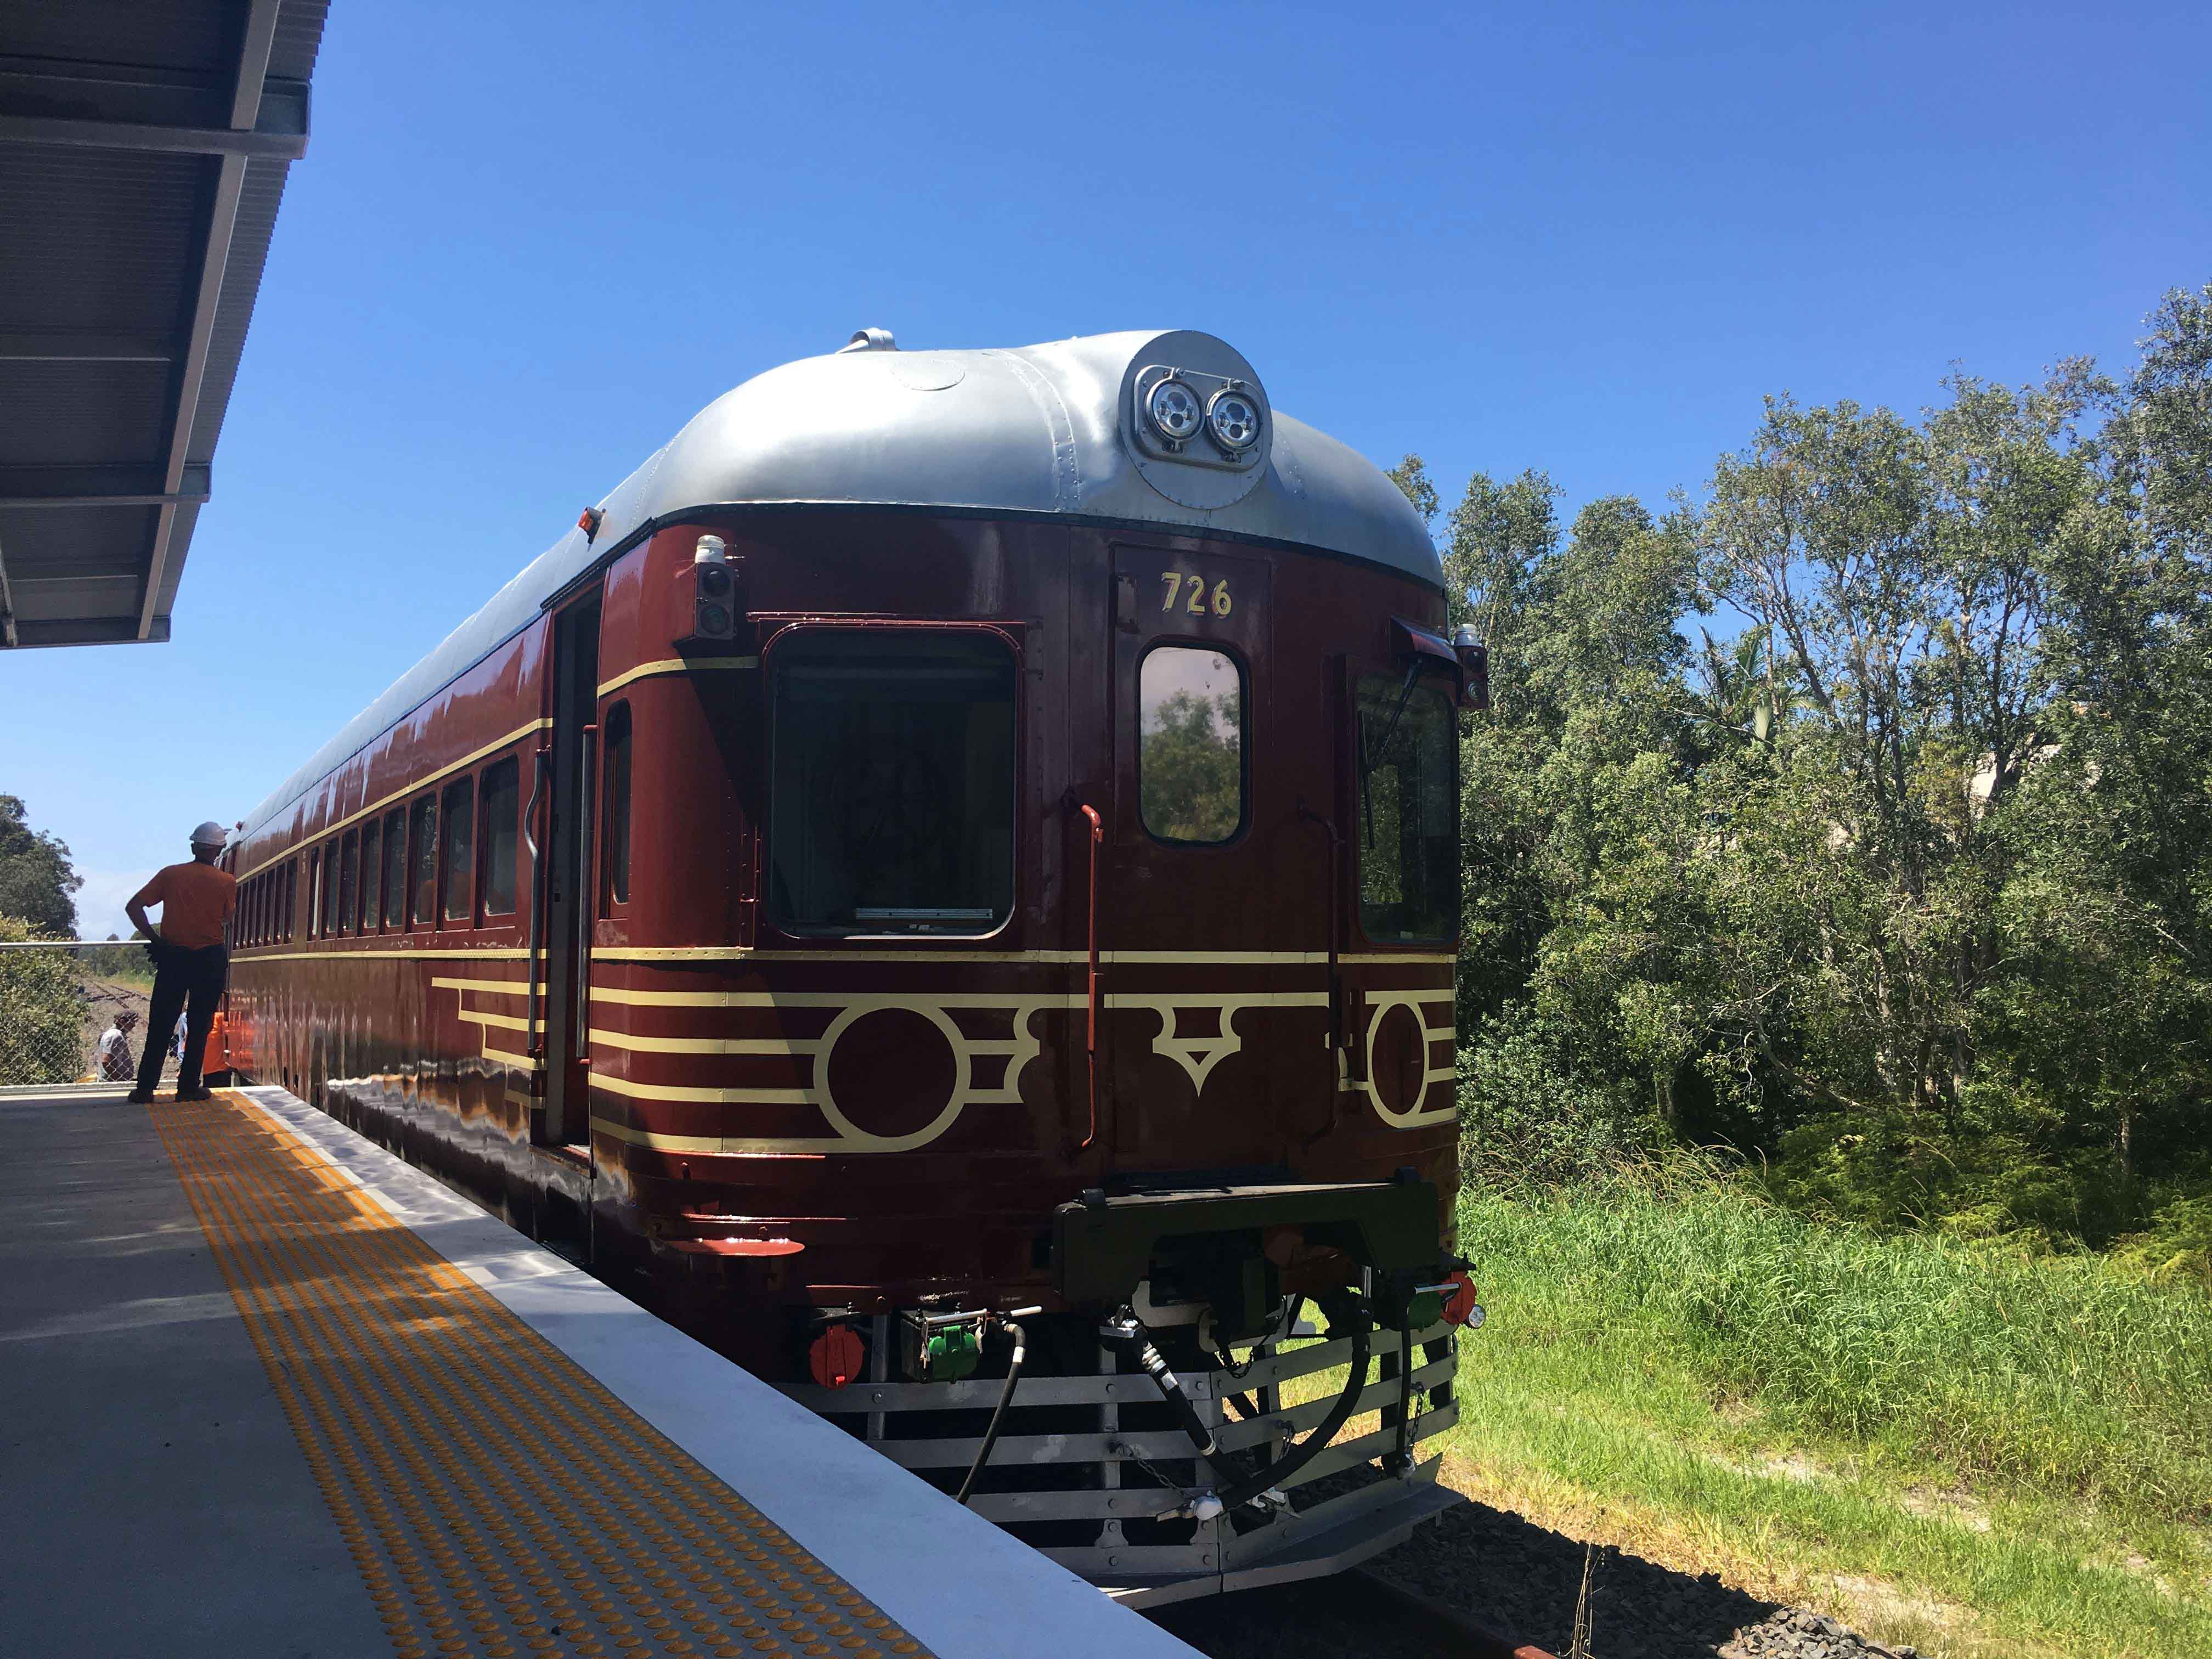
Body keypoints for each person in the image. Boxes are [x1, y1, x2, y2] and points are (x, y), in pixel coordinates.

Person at [125, 822, 237, 1105]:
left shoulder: (170, 875)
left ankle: (145, 1089)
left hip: (173, 957)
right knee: (199, 1026)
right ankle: (188, 1088)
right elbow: (229, 917)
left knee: (161, 1024)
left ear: (193, 847)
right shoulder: (226, 882)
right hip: (210, 959)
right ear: (218, 850)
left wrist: (156, 940)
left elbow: (134, 907)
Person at [95, 1009, 139, 1083]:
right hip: (113, 1082)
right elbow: (106, 1061)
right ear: (122, 1021)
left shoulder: (110, 1034)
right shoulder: (116, 1035)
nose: (134, 1025)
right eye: (132, 1022)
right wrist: (119, 1080)